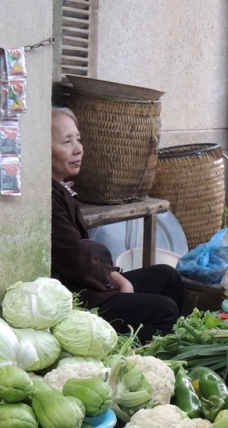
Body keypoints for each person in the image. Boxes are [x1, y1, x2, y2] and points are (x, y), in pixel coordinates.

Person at [50, 107, 184, 343]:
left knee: (167, 276)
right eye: (67, 142)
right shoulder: (48, 198)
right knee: (165, 311)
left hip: (90, 284)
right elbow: (76, 259)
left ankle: (167, 345)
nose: (78, 148)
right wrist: (114, 280)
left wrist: (113, 274)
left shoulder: (62, 189)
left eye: (78, 139)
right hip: (78, 297)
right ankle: (123, 355)